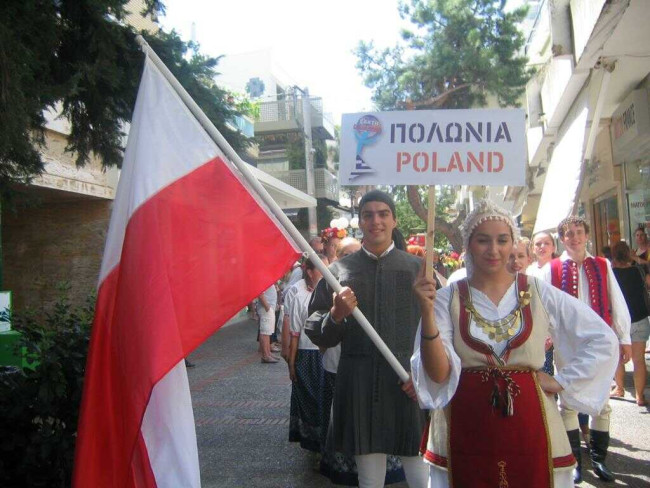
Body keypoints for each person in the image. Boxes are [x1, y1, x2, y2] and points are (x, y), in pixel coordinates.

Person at [411, 199, 618, 488]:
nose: (493, 249)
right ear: (469, 244)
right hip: (463, 424)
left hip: (532, 425)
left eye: (502, 240)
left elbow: (602, 338)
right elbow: (438, 374)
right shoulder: (446, 298)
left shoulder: (538, 291)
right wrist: (426, 311)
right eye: (483, 240)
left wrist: (562, 381)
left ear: (513, 243)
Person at [306, 190, 428, 488]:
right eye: (368, 214)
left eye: (383, 213)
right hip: (361, 383)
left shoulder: (418, 270)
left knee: (420, 471)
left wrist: (425, 375)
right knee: (369, 478)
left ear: (394, 220)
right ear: (360, 221)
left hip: (407, 382)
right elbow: (315, 328)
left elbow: (438, 331)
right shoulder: (338, 272)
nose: (376, 221)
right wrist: (335, 314)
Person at [541, 216, 631, 482]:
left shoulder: (602, 265)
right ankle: (574, 462)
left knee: (602, 401)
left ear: (587, 235)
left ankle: (599, 460)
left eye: (579, 232)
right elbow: (544, 304)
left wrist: (623, 337)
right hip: (567, 342)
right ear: (562, 239)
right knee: (567, 402)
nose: (575, 238)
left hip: (599, 342)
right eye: (569, 234)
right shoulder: (552, 269)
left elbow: (617, 299)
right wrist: (545, 335)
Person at [287, 254, 328, 452]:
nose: (327, 272)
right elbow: (294, 333)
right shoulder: (299, 295)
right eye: (321, 268)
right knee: (310, 401)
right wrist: (291, 364)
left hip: (326, 354)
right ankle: (314, 444)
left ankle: (328, 443)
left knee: (326, 400)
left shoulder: (333, 293)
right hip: (306, 355)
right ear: (310, 272)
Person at [609, 241, 649, 406]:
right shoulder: (638, 270)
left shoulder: (611, 274)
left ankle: (620, 388)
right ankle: (640, 396)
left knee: (619, 358)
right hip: (640, 318)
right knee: (639, 360)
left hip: (619, 322)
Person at [257, 282, 279, 363]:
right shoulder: (261, 279)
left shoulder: (266, 279)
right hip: (266, 309)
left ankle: (268, 353)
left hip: (269, 309)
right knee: (265, 332)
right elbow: (260, 294)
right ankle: (265, 355)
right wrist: (267, 307)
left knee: (268, 332)